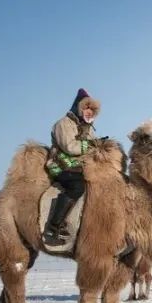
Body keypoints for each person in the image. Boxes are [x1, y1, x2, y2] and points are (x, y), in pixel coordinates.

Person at [44, 88, 101, 246]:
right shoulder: (63, 124)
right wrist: (90, 146)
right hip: (61, 165)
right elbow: (70, 147)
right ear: (79, 107)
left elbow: (92, 144)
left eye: (91, 110)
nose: (89, 112)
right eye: (87, 108)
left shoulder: (86, 128)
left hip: (77, 167)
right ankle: (52, 227)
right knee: (77, 187)